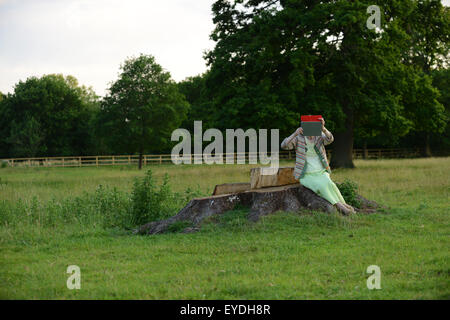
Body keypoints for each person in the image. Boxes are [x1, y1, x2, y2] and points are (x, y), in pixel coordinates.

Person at [281, 118, 355, 215]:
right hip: (306, 174)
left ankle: (343, 204)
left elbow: (330, 139)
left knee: (329, 184)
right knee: (321, 186)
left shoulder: (319, 136)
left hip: (321, 170)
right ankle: (340, 206)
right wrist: (295, 133)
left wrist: (323, 129)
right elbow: (284, 145)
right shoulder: (299, 138)